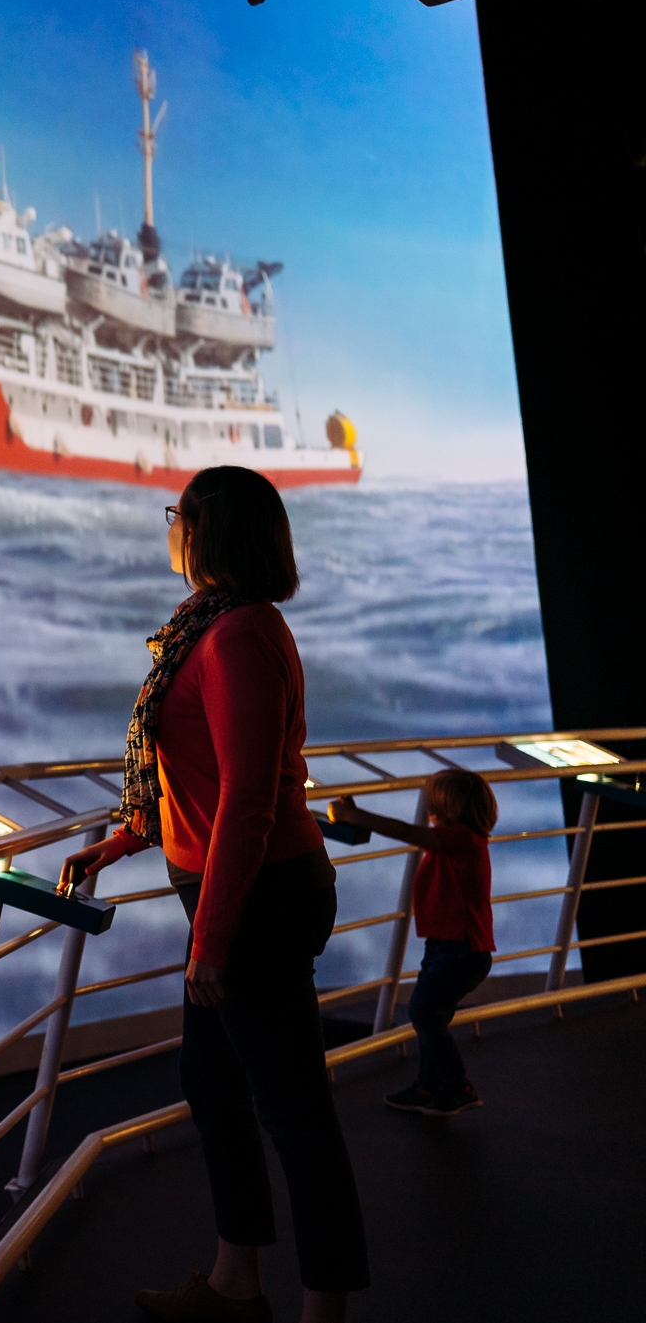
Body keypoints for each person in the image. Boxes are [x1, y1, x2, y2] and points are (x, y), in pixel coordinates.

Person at [60, 466, 367, 1323]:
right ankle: (237, 1283)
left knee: (294, 1111)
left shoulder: (235, 636)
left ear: (206, 529)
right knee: (213, 1080)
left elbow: (247, 800)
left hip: (257, 900)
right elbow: (193, 784)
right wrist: (120, 841)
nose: (170, 527)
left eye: (178, 515)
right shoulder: (208, 626)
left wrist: (212, 942)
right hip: (234, 897)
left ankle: (323, 1310)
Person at [329, 769, 497, 1116]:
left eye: (434, 803)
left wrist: (354, 817)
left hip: (460, 950)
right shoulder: (459, 841)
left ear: (450, 809)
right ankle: (427, 1087)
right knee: (430, 1017)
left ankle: (456, 1086)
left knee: (423, 1013)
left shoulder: (462, 840)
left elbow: (407, 832)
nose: (429, 809)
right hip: (447, 948)